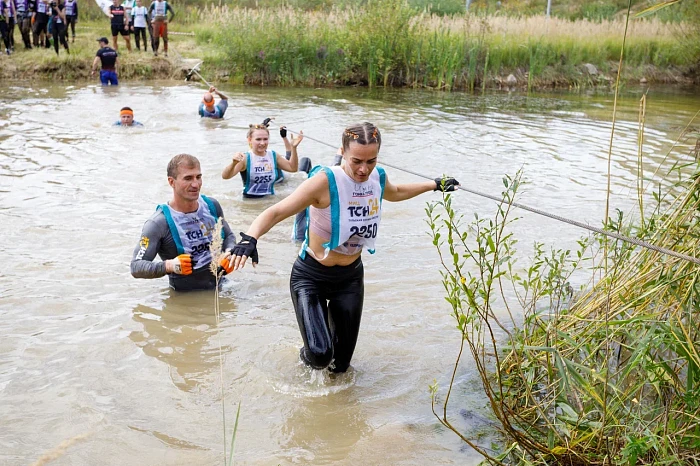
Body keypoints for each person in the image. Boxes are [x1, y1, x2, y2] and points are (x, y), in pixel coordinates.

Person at [229, 122, 460, 373]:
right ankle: (306, 356)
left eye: (371, 161)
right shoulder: (324, 182)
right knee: (319, 355)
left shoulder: (377, 178)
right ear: (343, 151)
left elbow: (396, 192)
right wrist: (250, 238)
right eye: (356, 161)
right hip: (311, 276)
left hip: (349, 278)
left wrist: (435, 185)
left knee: (340, 367)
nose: (363, 169)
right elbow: (276, 211)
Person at [131, 154, 237, 291]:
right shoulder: (158, 223)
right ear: (171, 182)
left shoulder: (212, 206)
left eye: (198, 177)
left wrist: (229, 252)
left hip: (222, 286)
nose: (195, 184)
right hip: (186, 298)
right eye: (188, 178)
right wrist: (169, 266)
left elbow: (228, 236)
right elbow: (136, 266)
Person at [221, 123, 309, 199]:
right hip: (251, 202)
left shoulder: (273, 155)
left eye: (265, 139)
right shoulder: (245, 158)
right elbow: (225, 176)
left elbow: (292, 168)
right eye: (258, 139)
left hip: (270, 199)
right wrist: (233, 163)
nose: (262, 143)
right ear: (250, 140)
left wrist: (293, 148)